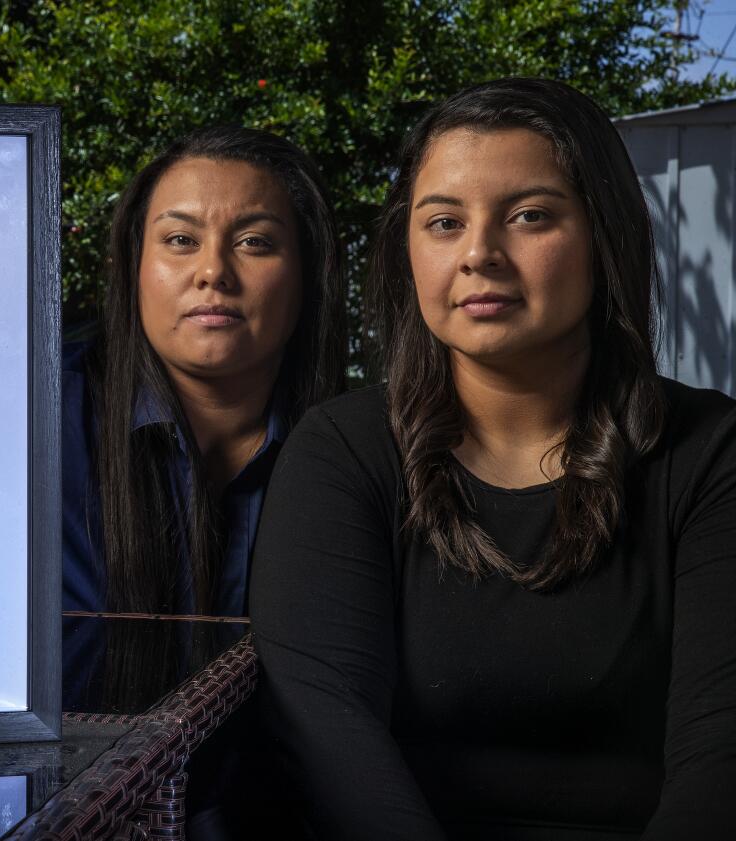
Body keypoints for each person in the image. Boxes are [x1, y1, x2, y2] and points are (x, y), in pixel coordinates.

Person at [250, 77, 736, 839]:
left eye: (530, 216)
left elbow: (722, 754)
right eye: (443, 222)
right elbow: (327, 735)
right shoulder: (342, 452)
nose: (480, 254)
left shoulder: (711, 451)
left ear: (603, 236)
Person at [62, 125, 346, 617]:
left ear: (307, 272)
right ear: (135, 267)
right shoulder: (34, 422)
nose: (213, 270)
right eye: (180, 239)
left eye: (255, 242)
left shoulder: (360, 452)